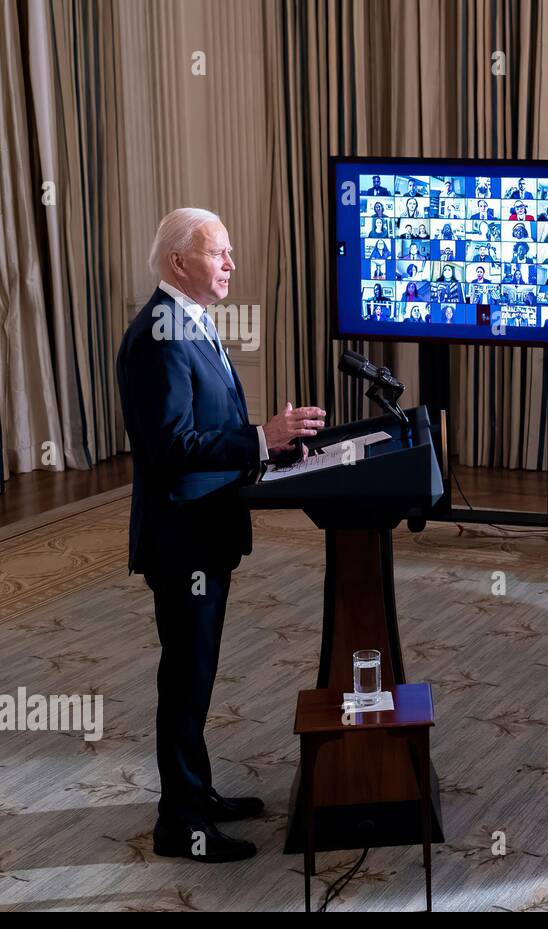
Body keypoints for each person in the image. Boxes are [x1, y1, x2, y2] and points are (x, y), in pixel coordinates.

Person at [117, 209, 327, 863]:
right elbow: (171, 445)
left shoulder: (189, 321)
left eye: (231, 252)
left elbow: (213, 424)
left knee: (196, 675)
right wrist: (262, 436)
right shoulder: (159, 334)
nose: (231, 263)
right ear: (180, 261)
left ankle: (195, 794)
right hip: (182, 541)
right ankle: (181, 826)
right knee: (184, 679)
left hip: (204, 534)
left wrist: (272, 447)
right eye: (219, 253)